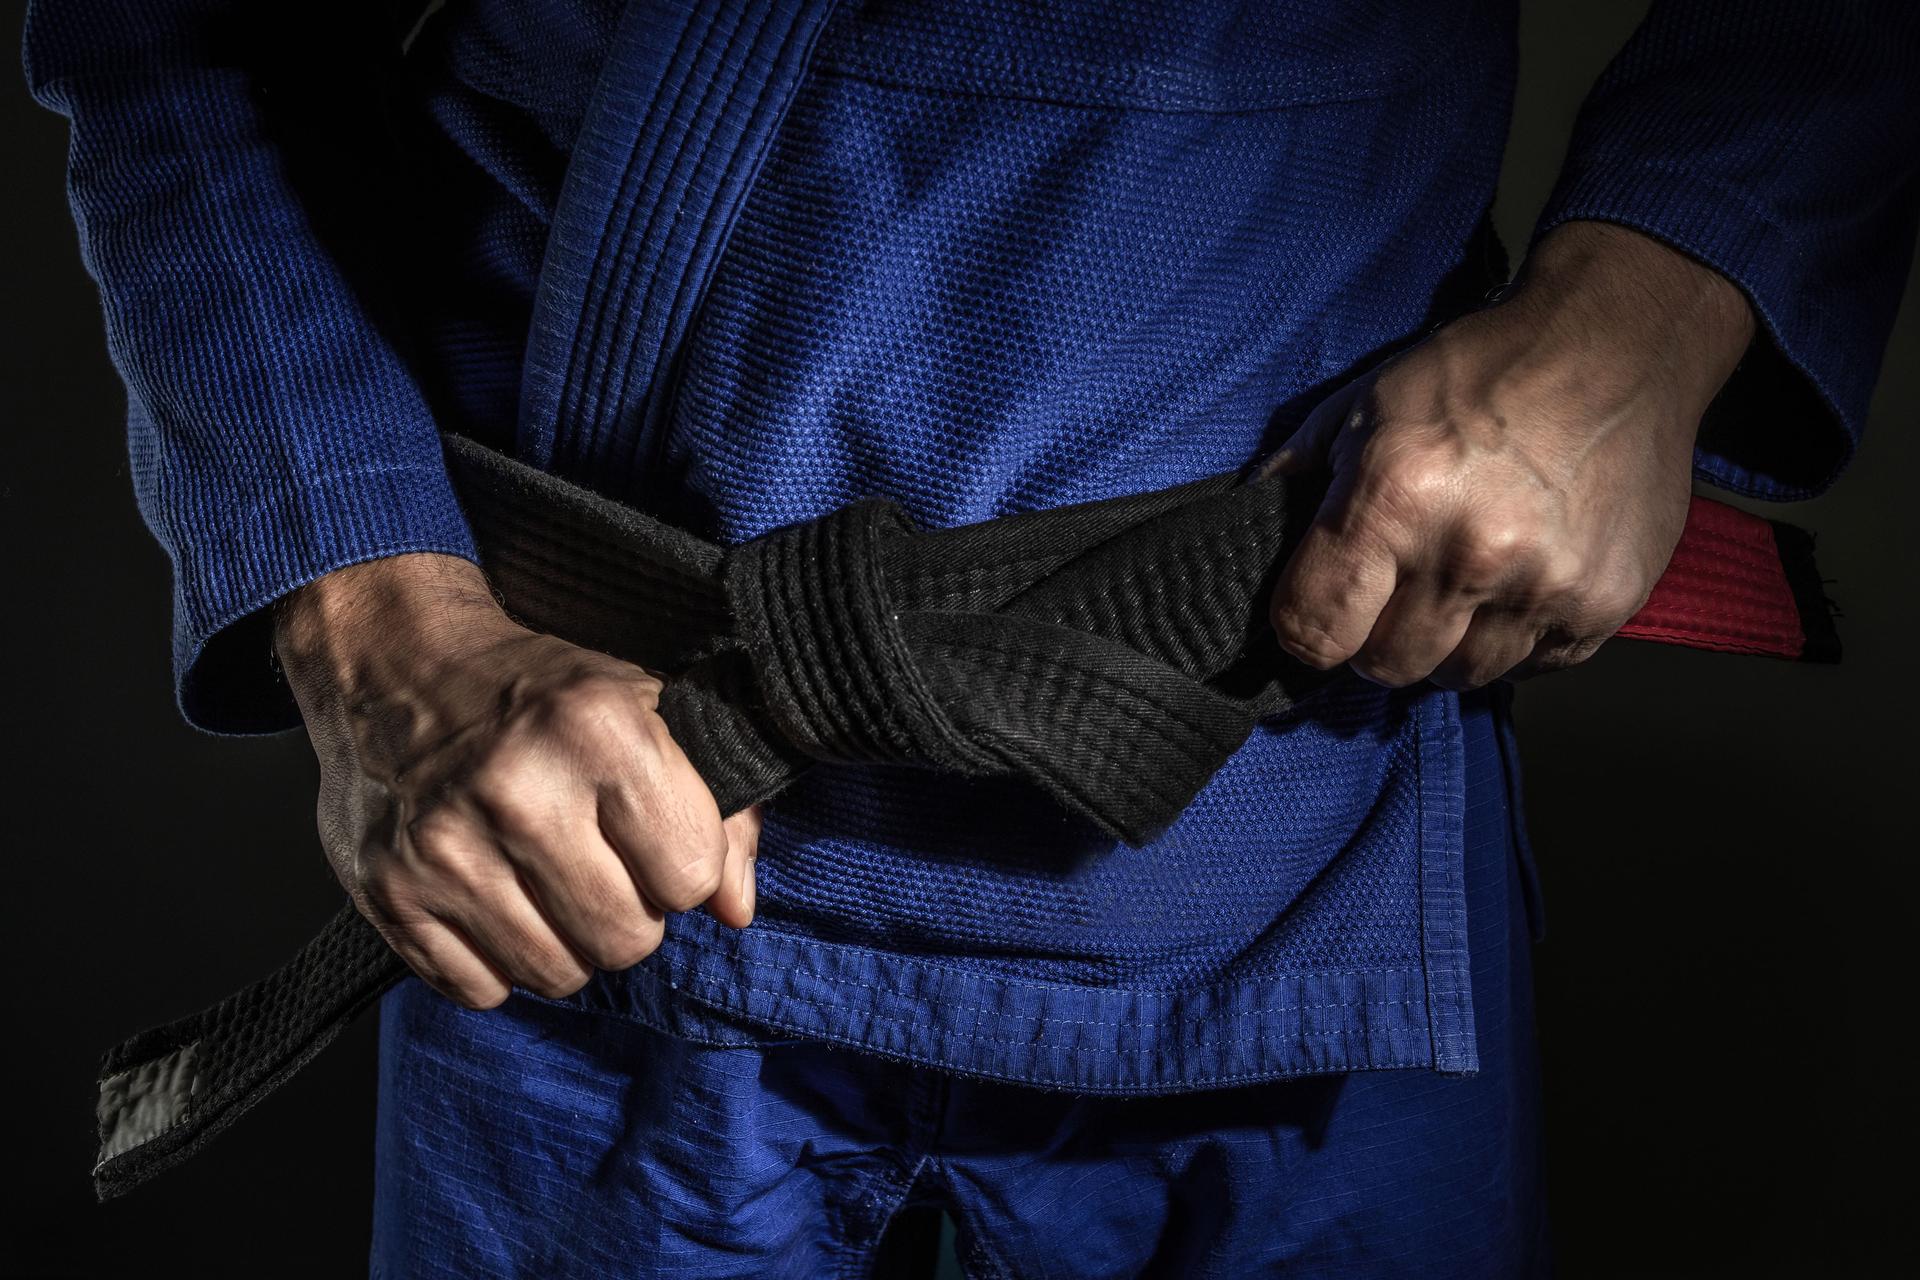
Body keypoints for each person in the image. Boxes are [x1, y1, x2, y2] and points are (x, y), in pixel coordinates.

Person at [25, 1, 1918, 1275]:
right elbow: (173, 23)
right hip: (586, 834)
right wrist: (368, 611)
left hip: (1287, 834)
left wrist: (1653, 300)